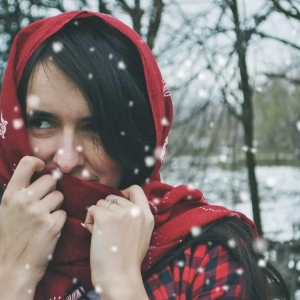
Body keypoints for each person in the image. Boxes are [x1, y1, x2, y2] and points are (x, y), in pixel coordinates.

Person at [0, 10, 289, 300]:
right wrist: (12, 277)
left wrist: (122, 284)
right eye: (42, 123)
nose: (65, 159)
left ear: (135, 137)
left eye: (96, 127)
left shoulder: (204, 257)